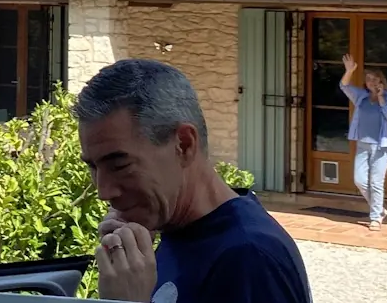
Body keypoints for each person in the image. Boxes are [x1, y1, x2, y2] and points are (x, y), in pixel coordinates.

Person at [74, 58, 311, 303]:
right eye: (93, 166)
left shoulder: (248, 257)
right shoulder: (179, 231)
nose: (103, 191)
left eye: (119, 165)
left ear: (184, 145)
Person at [339, 52, 387, 231]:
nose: (371, 82)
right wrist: (349, 71)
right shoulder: (361, 96)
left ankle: (375, 218)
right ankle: (379, 209)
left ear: (381, 81)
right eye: (368, 79)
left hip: (381, 146)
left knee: (376, 182)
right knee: (359, 180)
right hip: (363, 144)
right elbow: (344, 86)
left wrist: (380, 97)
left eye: (374, 79)